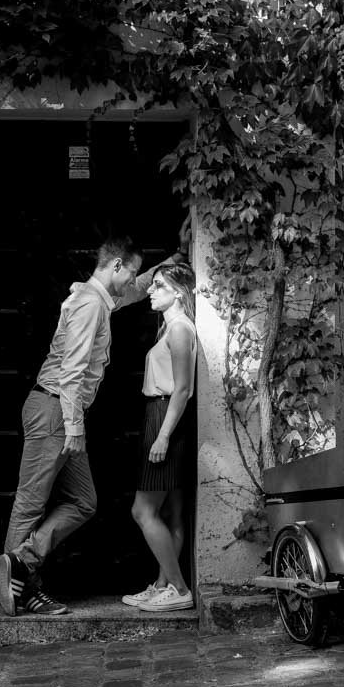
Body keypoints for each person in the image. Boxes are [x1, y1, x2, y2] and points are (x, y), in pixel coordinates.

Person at [0, 232, 189, 616]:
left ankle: (22, 561)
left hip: (62, 411)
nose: (137, 282)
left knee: (84, 502)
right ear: (115, 265)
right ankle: (21, 589)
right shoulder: (89, 305)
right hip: (55, 409)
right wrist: (73, 427)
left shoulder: (100, 297)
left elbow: (133, 290)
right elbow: (70, 372)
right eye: (132, 272)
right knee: (30, 503)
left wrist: (172, 259)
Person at [123, 261, 198, 612]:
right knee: (171, 512)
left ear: (178, 292)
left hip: (166, 417)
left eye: (158, 285)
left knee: (142, 511)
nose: (150, 291)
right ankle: (162, 585)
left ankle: (179, 589)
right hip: (165, 416)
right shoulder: (171, 328)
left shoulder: (180, 329)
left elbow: (182, 389)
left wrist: (163, 435)